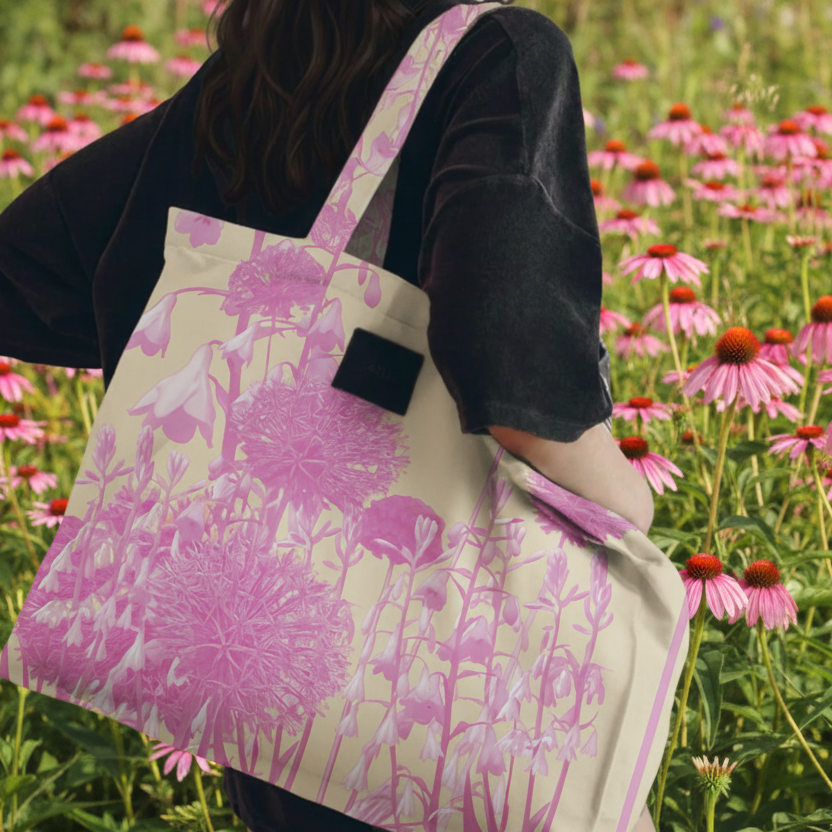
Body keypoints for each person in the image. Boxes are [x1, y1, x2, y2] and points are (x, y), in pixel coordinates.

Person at [0, 0, 657, 829]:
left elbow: (29, 265)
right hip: (438, 689)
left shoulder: (261, 64)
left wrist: (212, 341)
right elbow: (511, 352)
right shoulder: (500, 53)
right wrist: (627, 504)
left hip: (267, 693)